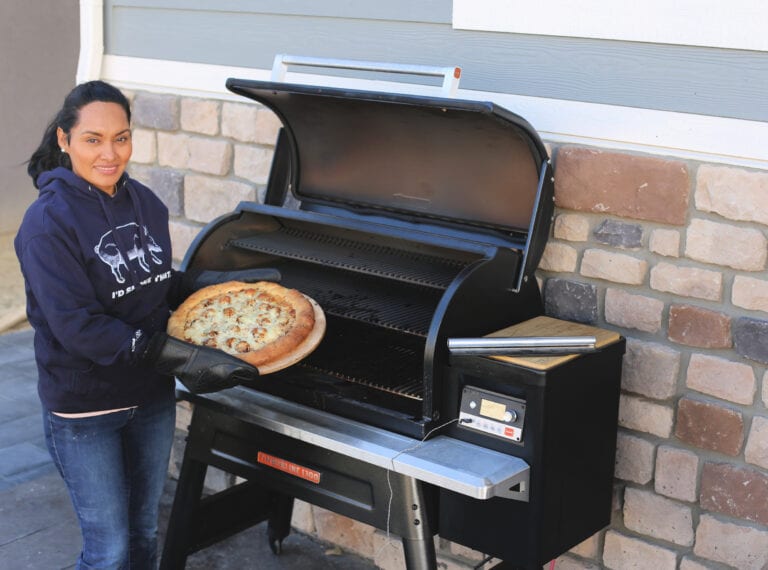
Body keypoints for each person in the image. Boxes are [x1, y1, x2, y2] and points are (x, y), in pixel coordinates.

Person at [15, 80, 263, 569]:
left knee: (144, 535)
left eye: (121, 137)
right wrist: (175, 355)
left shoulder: (146, 203)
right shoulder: (47, 224)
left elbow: (148, 281)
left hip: (149, 399)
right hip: (86, 411)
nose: (110, 153)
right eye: (93, 139)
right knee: (108, 551)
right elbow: (77, 327)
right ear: (65, 140)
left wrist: (204, 284)